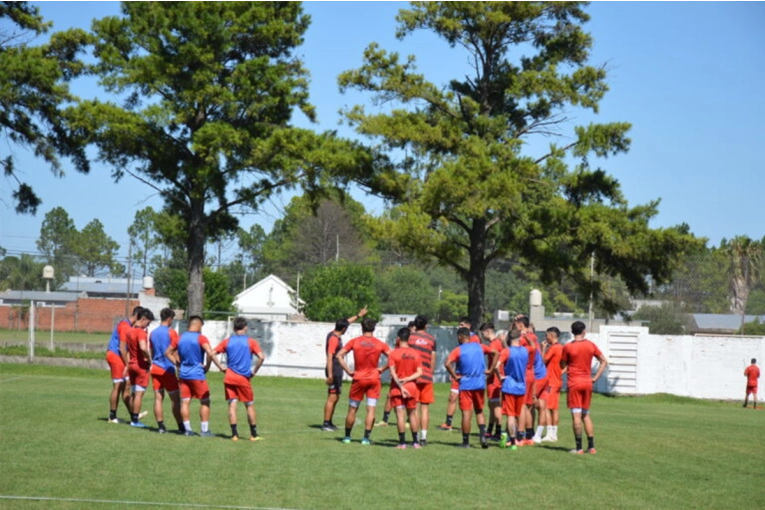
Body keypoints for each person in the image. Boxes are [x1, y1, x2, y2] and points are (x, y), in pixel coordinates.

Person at [165, 315, 224, 437]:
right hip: (197, 375)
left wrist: (178, 364)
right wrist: (216, 367)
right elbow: (210, 353)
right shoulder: (201, 338)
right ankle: (204, 430)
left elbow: (167, 352)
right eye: (201, 327)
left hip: (183, 375)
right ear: (197, 325)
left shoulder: (180, 338)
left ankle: (187, 430)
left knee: (185, 402)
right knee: (205, 401)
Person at [336, 317, 391, 445]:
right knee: (371, 409)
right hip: (374, 379)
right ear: (374, 328)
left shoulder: (355, 341)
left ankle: (347, 437)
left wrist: (348, 371)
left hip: (359, 378)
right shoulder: (379, 343)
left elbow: (339, 355)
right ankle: (366, 438)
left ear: (362, 328)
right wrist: (382, 369)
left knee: (352, 409)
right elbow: (393, 357)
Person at [444, 327, 498, 448]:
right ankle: (483, 437)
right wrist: (490, 370)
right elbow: (496, 353)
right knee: (479, 410)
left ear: (460, 337)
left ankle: (465, 442)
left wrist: (454, 376)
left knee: (466, 413)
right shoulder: (480, 346)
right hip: (479, 383)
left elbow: (447, 363)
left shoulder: (458, 350)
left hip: (466, 384)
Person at [560, 321, 608, 454]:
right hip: (587, 382)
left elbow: (563, 365)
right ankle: (592, 447)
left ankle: (579, 448)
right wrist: (595, 378)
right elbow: (604, 361)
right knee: (585, 415)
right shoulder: (591, 345)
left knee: (576, 416)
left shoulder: (568, 347)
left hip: (574, 383)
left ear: (572, 332)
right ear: (584, 331)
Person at [215, 317, 265, 441]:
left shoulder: (227, 341)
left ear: (233, 328)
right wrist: (254, 372)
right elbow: (261, 357)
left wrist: (221, 367)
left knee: (232, 404)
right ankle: (253, 435)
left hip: (229, 377)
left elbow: (211, 353)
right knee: (249, 405)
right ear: (245, 327)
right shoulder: (251, 342)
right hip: (243, 378)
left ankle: (234, 435)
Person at [323, 307, 367, 431]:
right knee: (332, 397)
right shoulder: (333, 339)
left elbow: (347, 322)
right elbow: (330, 357)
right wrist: (330, 374)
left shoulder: (333, 333)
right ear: (343, 329)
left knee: (335, 396)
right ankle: (326, 423)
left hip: (337, 370)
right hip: (334, 370)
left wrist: (358, 315)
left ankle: (329, 422)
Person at [440, 316, 481, 431]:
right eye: (459, 325)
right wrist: (453, 371)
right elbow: (458, 356)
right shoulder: (461, 338)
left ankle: (467, 423)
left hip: (468, 376)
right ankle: (448, 423)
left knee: (469, 400)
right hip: (457, 373)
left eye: (462, 325)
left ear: (469, 326)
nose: (459, 327)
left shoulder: (474, 339)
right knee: (452, 397)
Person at [149, 307, 184, 434]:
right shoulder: (172, 333)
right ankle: (181, 426)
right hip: (168, 369)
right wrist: (179, 366)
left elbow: (151, 352)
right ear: (170, 319)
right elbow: (175, 352)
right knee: (175, 399)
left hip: (155, 368)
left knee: (158, 398)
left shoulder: (152, 333)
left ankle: (161, 426)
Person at [377, 320, 417, 428]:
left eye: (415, 330)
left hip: (410, 377)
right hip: (398, 376)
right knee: (390, 396)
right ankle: (385, 419)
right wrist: (385, 369)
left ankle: (409, 420)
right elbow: (393, 359)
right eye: (412, 330)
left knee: (411, 398)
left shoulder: (414, 346)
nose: (414, 332)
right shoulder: (399, 343)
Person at [388, 327, 423, 449]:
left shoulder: (393, 353)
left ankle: (402, 443)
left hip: (398, 388)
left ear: (398, 338)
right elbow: (420, 372)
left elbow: (392, 372)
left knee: (400, 415)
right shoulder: (415, 353)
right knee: (413, 414)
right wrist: (408, 379)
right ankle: (415, 442)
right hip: (412, 387)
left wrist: (401, 386)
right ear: (409, 338)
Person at [106, 306, 142, 423]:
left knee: (126, 386)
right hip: (116, 356)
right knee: (118, 386)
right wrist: (128, 364)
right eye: (142, 320)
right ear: (137, 316)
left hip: (119, 356)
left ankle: (133, 414)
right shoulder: (125, 326)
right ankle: (112, 416)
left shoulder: (128, 325)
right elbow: (122, 348)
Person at [407, 315, 437, 445]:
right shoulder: (432, 339)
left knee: (415, 408)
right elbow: (433, 359)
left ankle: (416, 436)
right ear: (425, 326)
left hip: (413, 377)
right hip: (426, 376)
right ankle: (424, 437)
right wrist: (430, 373)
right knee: (425, 408)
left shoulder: (410, 338)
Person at [497, 327, 528, 450]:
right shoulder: (525, 351)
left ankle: (513, 442)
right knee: (515, 415)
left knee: (509, 415)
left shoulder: (507, 351)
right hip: (521, 386)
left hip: (509, 385)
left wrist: (500, 376)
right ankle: (507, 438)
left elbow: (496, 365)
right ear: (519, 338)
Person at [126, 308, 155, 428]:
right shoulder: (140, 332)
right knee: (139, 394)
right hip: (140, 366)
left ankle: (133, 418)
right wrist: (149, 359)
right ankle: (135, 421)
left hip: (131, 365)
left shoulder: (130, 331)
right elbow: (143, 347)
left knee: (134, 393)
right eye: (148, 323)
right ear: (143, 319)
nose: (147, 325)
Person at [516, 315, 538, 445]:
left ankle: (520, 436)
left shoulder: (523, 339)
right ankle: (529, 436)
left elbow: (512, 346)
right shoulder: (533, 337)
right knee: (529, 406)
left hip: (523, 374)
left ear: (521, 324)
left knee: (522, 406)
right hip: (531, 373)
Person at [481, 322, 504, 441]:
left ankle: (498, 431)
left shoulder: (495, 344)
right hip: (493, 378)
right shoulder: (496, 343)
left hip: (495, 378)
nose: (483, 336)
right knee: (491, 405)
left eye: (483, 333)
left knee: (496, 406)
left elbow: (497, 361)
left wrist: (490, 371)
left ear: (488, 331)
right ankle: (490, 430)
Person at [541, 326, 563, 442]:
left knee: (547, 407)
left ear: (552, 335)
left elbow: (543, 361)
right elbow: (565, 364)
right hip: (558, 381)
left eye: (547, 335)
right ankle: (554, 434)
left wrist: (543, 348)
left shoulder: (553, 348)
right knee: (554, 408)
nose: (546, 337)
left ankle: (549, 434)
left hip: (551, 381)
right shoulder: (561, 347)